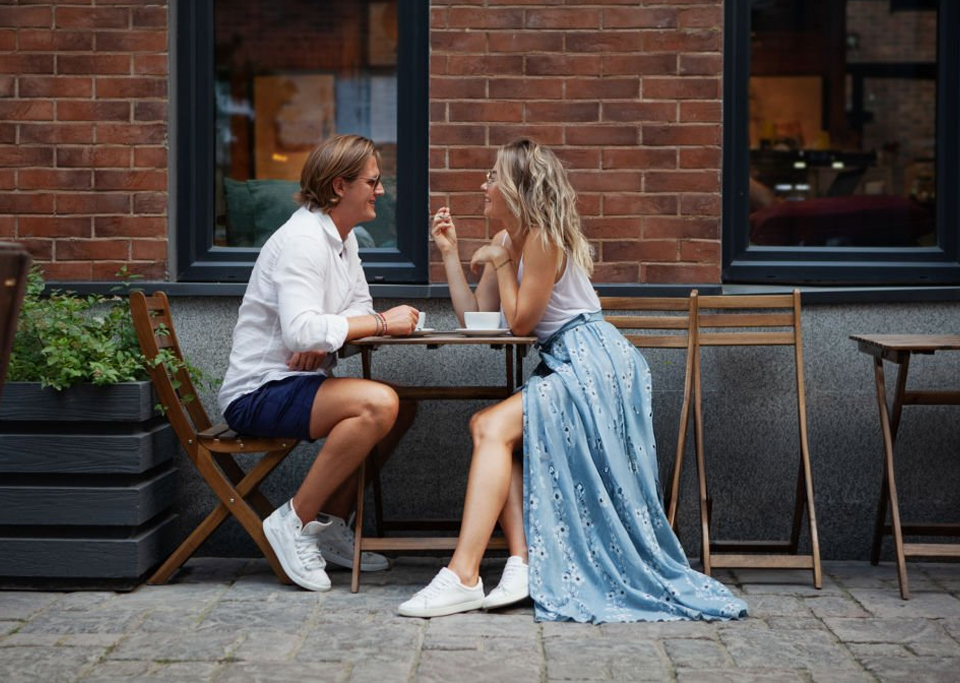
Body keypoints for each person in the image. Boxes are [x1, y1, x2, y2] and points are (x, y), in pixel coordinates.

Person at [398, 138, 748, 623]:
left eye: (493, 176)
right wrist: (452, 255)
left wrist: (501, 265)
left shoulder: (542, 238)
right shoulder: (506, 241)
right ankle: (520, 563)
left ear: (517, 189)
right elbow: (480, 319)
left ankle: (463, 574)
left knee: (490, 428)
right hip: (567, 361)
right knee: (494, 431)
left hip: (595, 361)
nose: (484, 184)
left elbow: (520, 325)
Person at [218, 134, 420, 592]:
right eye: (372, 181)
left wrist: (330, 334)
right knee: (377, 404)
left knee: (401, 406)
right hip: (258, 393)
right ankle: (292, 521)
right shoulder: (304, 242)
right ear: (337, 187)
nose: (381, 190)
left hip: (295, 382)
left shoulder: (344, 243)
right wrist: (370, 324)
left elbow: (351, 317)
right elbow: (319, 329)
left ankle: (328, 527)